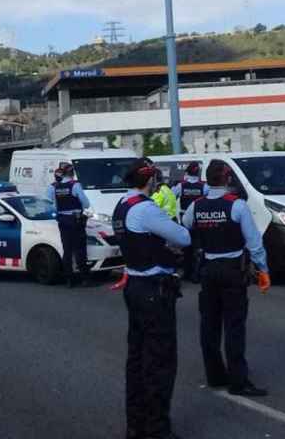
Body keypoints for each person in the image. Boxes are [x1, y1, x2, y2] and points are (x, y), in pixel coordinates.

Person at [113, 157, 192, 439]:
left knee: (136, 360)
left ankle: (136, 425)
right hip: (153, 289)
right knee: (159, 361)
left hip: (134, 284)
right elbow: (183, 237)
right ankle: (158, 429)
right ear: (149, 180)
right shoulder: (146, 209)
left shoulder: (122, 206)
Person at [183, 160, 271, 397]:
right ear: (227, 178)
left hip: (208, 269)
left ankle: (215, 375)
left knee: (209, 325)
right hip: (232, 270)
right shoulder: (237, 205)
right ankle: (238, 381)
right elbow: (254, 243)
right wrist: (263, 270)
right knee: (234, 326)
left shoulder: (197, 206)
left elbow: (186, 225)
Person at [46, 162, 91, 287]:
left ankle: (69, 280)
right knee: (80, 249)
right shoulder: (75, 185)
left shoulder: (54, 187)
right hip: (76, 220)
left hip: (62, 220)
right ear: (72, 173)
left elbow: (48, 204)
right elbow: (86, 204)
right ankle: (84, 278)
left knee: (67, 250)